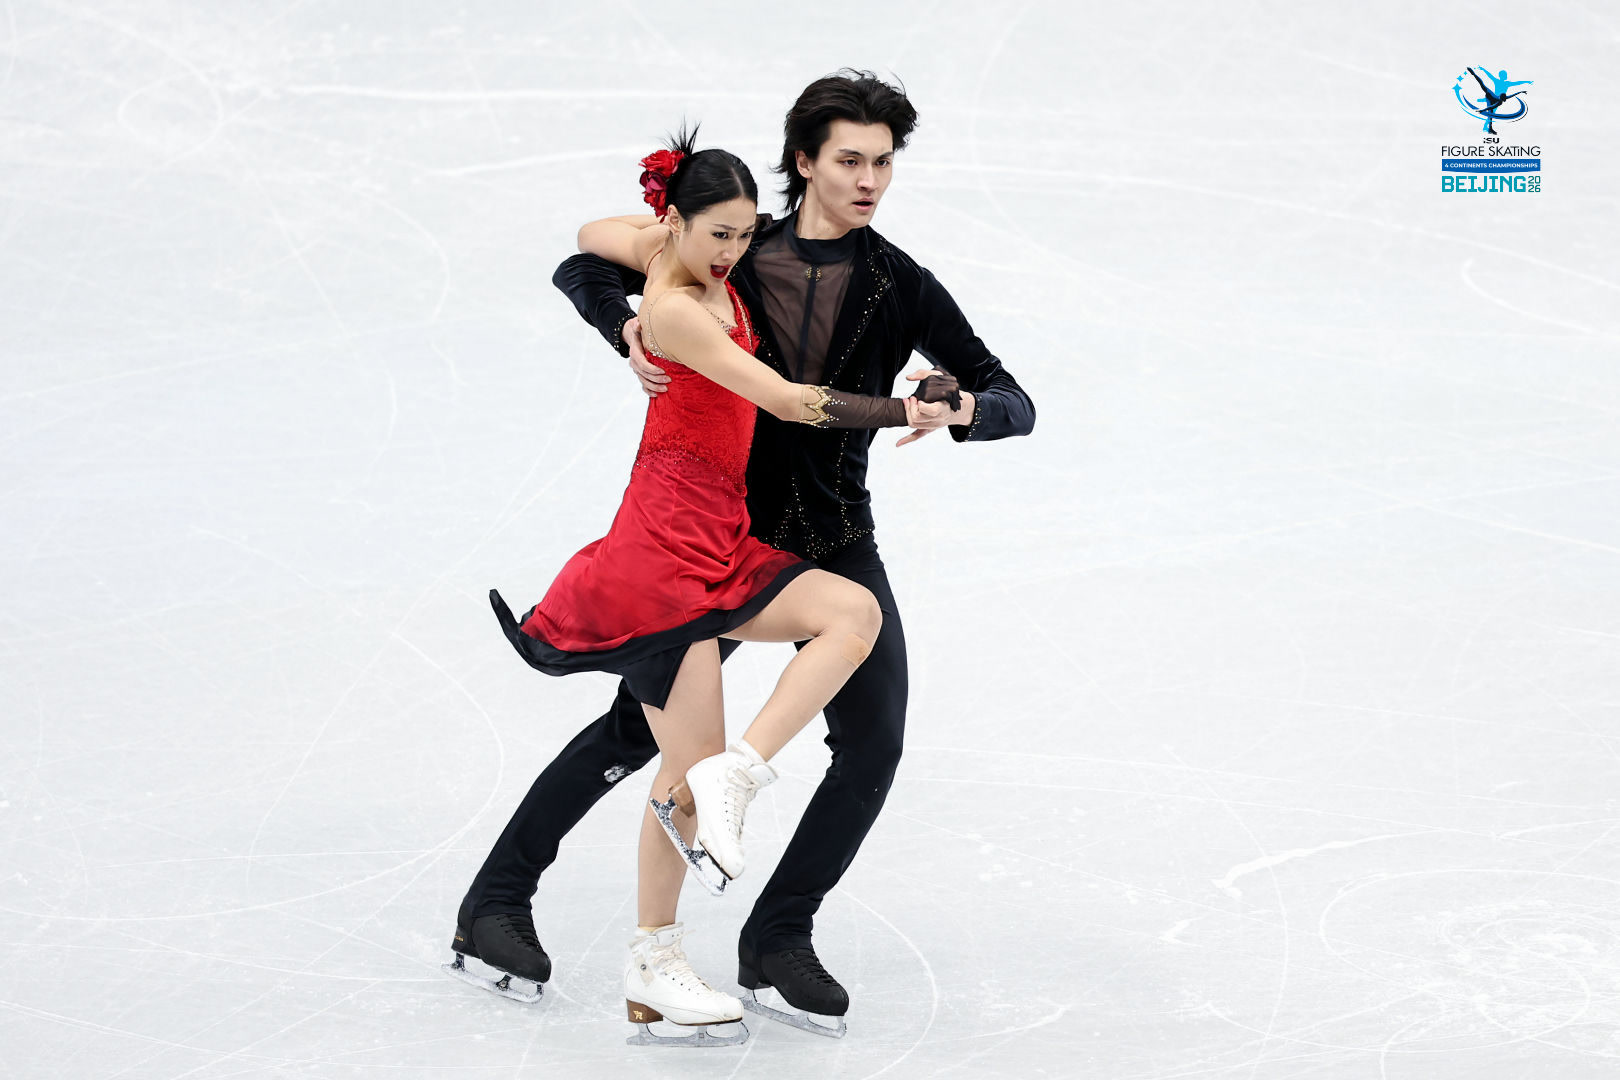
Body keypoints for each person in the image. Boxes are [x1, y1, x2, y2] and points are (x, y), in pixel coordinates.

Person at [452, 69, 1036, 1038]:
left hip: (833, 536)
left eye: (884, 163)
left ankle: (777, 937)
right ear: (803, 161)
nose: (869, 181)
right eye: (849, 160)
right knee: (637, 734)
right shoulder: (733, 246)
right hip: (722, 532)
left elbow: (1014, 399)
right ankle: (498, 901)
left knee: (874, 741)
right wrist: (627, 327)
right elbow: (587, 266)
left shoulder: (899, 284)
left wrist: (963, 405)